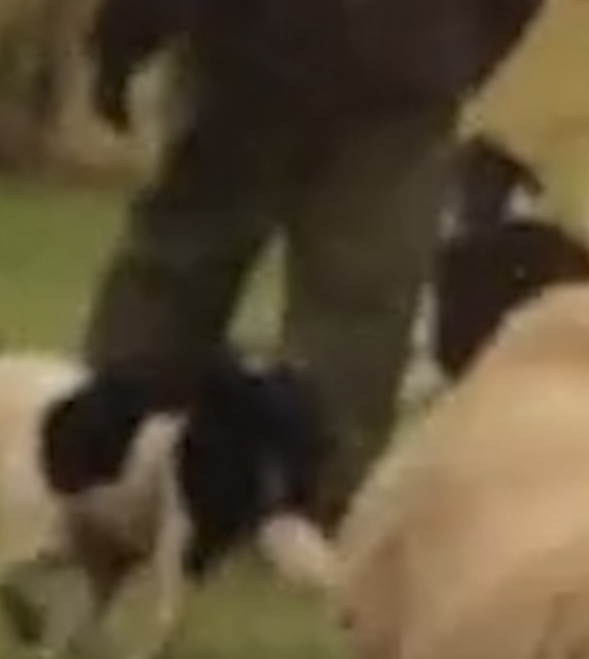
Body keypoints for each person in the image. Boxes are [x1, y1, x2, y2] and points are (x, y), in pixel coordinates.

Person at [77, 0, 547, 525]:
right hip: (401, 61)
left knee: (180, 265)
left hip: (252, 46)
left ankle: (98, 457)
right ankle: (310, 502)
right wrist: (464, 51)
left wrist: (122, 39)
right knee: (359, 307)